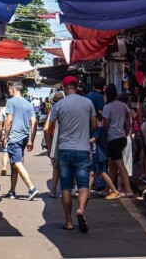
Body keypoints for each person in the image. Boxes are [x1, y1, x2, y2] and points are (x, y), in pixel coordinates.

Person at [47, 76, 93, 232]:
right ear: (77, 86)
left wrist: (48, 148)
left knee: (66, 188)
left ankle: (68, 221)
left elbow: (47, 128)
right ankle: (81, 209)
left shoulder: (59, 105)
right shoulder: (88, 103)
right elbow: (94, 124)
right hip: (83, 149)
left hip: (64, 150)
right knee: (83, 185)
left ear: (63, 87)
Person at [3, 82, 39, 200]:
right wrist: (31, 140)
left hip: (14, 137)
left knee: (17, 163)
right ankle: (12, 191)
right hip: (24, 137)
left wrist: (5, 136)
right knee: (14, 165)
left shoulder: (10, 102)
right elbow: (34, 122)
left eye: (9, 89)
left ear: (13, 90)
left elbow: (8, 121)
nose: (9, 91)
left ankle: (31, 188)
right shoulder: (28, 104)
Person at [102, 85, 134, 198]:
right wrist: (127, 129)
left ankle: (129, 190)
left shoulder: (107, 107)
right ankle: (106, 189)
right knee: (113, 166)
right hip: (122, 137)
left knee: (120, 165)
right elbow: (130, 117)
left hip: (113, 138)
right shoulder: (123, 105)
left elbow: (106, 125)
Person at [90, 111, 119, 199]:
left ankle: (114, 191)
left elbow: (93, 140)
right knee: (91, 173)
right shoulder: (100, 129)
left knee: (103, 173)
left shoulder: (99, 129)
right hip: (96, 155)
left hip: (99, 155)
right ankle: (86, 193)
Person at [44, 91, 65, 198]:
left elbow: (46, 129)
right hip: (68, 140)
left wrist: (48, 147)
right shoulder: (68, 108)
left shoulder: (53, 109)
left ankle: (53, 191)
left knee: (56, 168)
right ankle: (69, 191)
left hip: (56, 141)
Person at [0, 93, 10, 176]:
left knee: (5, 151)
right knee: (19, 152)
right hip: (17, 133)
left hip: (5, 133)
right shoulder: (17, 110)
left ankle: (4, 167)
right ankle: (18, 168)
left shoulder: (3, 110)